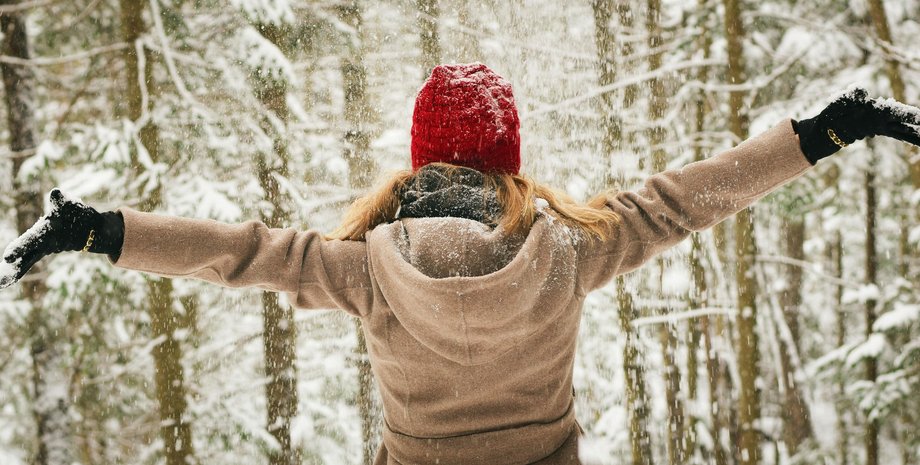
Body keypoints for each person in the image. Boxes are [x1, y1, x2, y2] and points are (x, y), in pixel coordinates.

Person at [2, 63, 920, 464]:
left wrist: (102, 229)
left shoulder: (363, 268)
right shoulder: (569, 249)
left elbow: (238, 254)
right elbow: (688, 197)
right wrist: (823, 132)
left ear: (418, 160)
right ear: (508, 158)